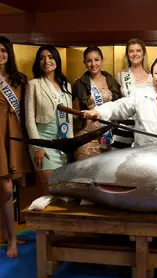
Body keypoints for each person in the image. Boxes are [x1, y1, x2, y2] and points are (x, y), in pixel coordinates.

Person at [25, 45, 73, 195]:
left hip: (62, 145)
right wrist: (37, 147)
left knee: (63, 192)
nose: (47, 61)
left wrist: (70, 146)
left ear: (57, 60)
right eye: (42, 57)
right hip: (43, 144)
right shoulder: (33, 85)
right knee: (51, 189)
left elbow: (69, 119)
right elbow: (29, 119)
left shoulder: (66, 86)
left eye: (50, 57)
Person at [0, 36, 31, 258]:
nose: (0, 54)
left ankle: (10, 235)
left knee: (11, 188)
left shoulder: (19, 79)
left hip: (14, 136)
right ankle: (11, 239)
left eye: (3, 50)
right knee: (6, 188)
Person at [72, 45, 122, 160]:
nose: (93, 64)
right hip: (86, 137)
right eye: (89, 61)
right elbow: (70, 105)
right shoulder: (80, 83)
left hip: (107, 136)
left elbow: (119, 105)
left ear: (102, 61)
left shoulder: (112, 81)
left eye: (96, 60)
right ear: (84, 62)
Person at [114, 38, 153, 148]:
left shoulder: (153, 76)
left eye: (138, 50)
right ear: (127, 54)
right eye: (131, 51)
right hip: (125, 124)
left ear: (143, 53)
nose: (135, 54)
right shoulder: (121, 75)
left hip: (145, 125)